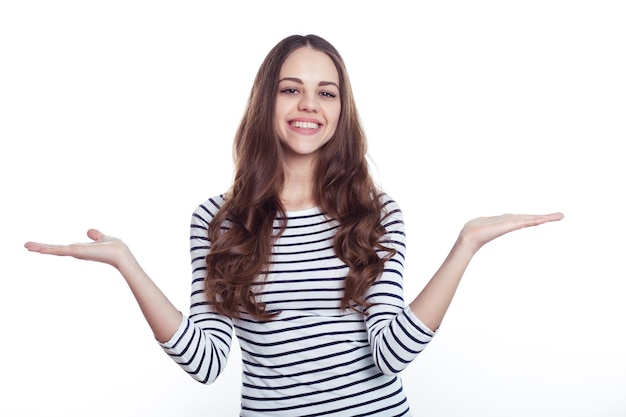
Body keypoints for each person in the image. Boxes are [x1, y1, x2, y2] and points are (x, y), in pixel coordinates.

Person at [24, 34, 563, 416]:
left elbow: (392, 351)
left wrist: (465, 246)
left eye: (326, 92)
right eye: (290, 89)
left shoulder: (375, 213)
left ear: (340, 109)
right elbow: (205, 361)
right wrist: (128, 265)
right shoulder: (219, 220)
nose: (309, 104)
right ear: (267, 100)